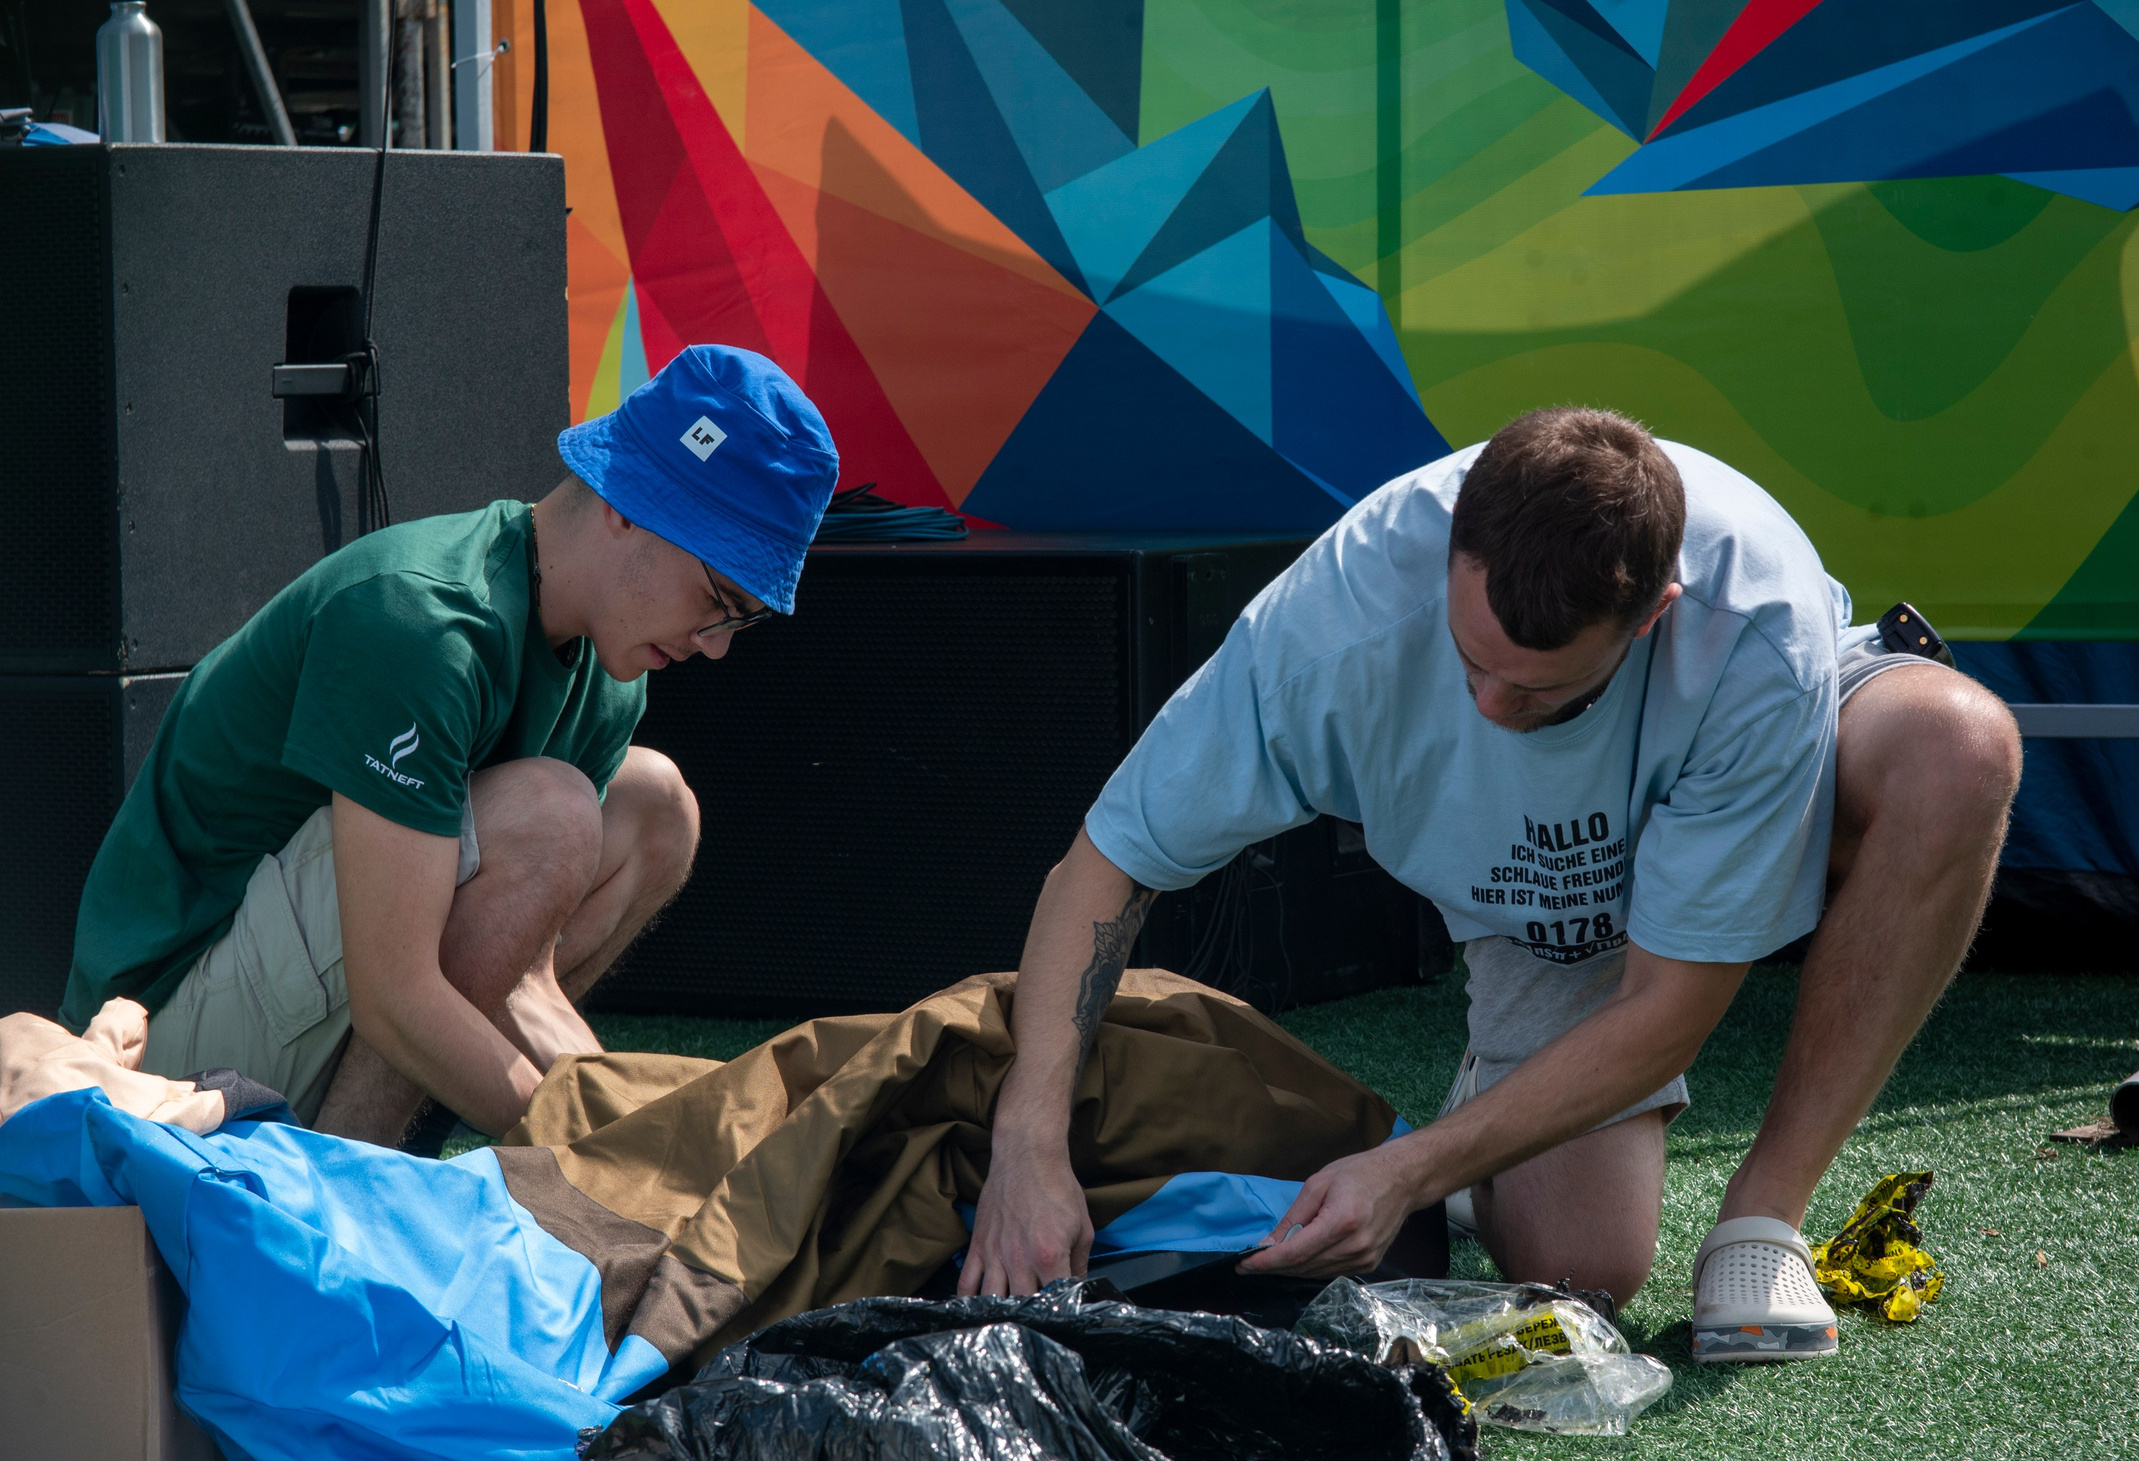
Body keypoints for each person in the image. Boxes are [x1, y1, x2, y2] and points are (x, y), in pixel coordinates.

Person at [960, 407, 2020, 1362]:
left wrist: (1407, 1169)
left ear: (1651, 615)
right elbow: (1106, 861)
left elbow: (1669, 1010)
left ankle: (1761, 1219)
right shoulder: (1331, 623)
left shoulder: (1757, 623)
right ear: (1449, 555)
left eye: (1538, 685)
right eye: (1471, 660)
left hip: (1757, 787)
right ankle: (1489, 1133)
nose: (1489, 705)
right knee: (1583, 1271)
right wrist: (1027, 1142)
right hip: (1544, 901)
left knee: (1957, 750)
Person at [60, 344, 837, 1148]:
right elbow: (395, 996)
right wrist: (599, 1159)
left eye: (740, 618)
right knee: (558, 816)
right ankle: (340, 1192)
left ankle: (391, 1145)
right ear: (628, 505)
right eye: (717, 598)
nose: (716, 646)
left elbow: (517, 977)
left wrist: (653, 1131)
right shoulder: (422, 620)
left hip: (307, 1009)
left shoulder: (614, 679)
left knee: (657, 808)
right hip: (144, 1061)